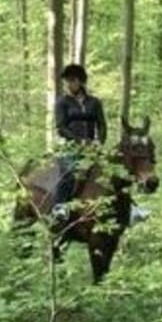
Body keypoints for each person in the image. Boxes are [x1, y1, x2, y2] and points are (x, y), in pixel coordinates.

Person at [51, 63, 107, 221]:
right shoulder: (62, 102)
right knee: (68, 173)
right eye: (66, 81)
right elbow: (61, 127)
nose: (68, 84)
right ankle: (59, 207)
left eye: (72, 80)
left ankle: (131, 210)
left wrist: (99, 141)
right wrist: (80, 141)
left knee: (112, 173)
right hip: (69, 146)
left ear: (80, 81)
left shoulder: (95, 102)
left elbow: (102, 125)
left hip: (92, 147)